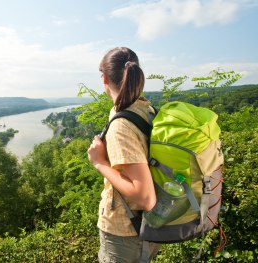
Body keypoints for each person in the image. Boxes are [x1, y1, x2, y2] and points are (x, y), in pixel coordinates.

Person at [87, 47, 161, 263]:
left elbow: (145, 197)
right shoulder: (145, 108)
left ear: (105, 79)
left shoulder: (121, 125)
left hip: (125, 232)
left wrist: (99, 163)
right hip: (146, 226)